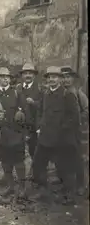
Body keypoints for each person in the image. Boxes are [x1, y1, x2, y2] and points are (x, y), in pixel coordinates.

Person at [31, 67, 81, 205]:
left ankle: (68, 195)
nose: (52, 80)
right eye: (49, 77)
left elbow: (74, 118)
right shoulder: (46, 93)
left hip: (61, 139)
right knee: (38, 165)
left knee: (64, 167)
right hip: (45, 138)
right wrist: (39, 126)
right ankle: (43, 191)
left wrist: (60, 130)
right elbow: (40, 111)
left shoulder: (67, 94)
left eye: (55, 77)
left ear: (60, 79)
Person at [0, 68, 28, 204]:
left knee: (19, 161)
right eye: (2, 77)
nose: (5, 79)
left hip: (16, 133)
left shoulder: (17, 93)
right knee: (6, 162)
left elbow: (26, 112)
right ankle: (11, 187)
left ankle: (23, 188)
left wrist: (25, 131)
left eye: (7, 77)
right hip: (2, 134)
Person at [61, 66, 89, 196]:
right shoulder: (61, 92)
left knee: (77, 158)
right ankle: (67, 184)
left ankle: (80, 184)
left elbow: (86, 110)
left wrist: (77, 121)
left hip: (76, 131)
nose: (65, 80)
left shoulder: (78, 93)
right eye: (63, 77)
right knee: (64, 158)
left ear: (73, 79)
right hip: (63, 131)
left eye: (68, 77)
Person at [15, 63, 42, 182]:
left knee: (34, 150)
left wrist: (34, 103)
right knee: (19, 150)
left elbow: (45, 106)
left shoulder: (40, 89)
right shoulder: (18, 88)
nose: (28, 75)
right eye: (25, 73)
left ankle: (36, 175)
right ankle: (20, 176)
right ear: (22, 75)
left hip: (34, 126)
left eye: (30, 73)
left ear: (34, 76)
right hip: (20, 125)